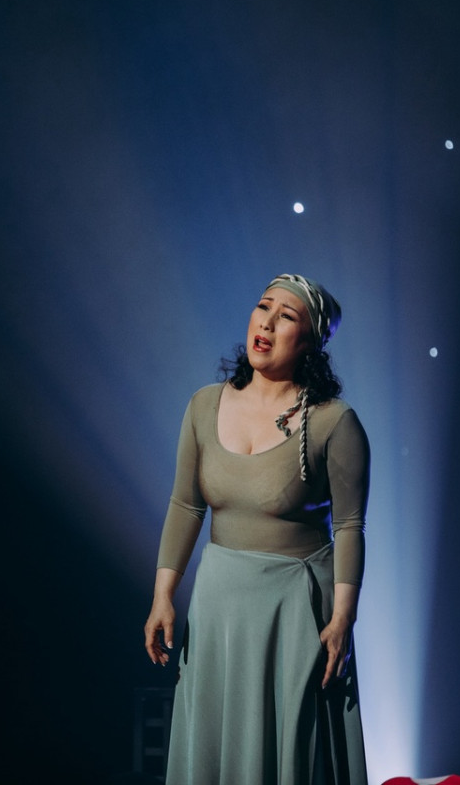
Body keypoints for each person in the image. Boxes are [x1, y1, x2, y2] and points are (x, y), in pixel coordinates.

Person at [144, 273, 371, 785]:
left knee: (290, 752)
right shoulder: (204, 405)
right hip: (219, 607)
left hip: (293, 611)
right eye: (263, 307)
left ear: (309, 342)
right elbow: (186, 505)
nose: (266, 323)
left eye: (286, 316)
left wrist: (343, 618)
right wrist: (163, 596)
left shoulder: (333, 422)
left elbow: (350, 525)